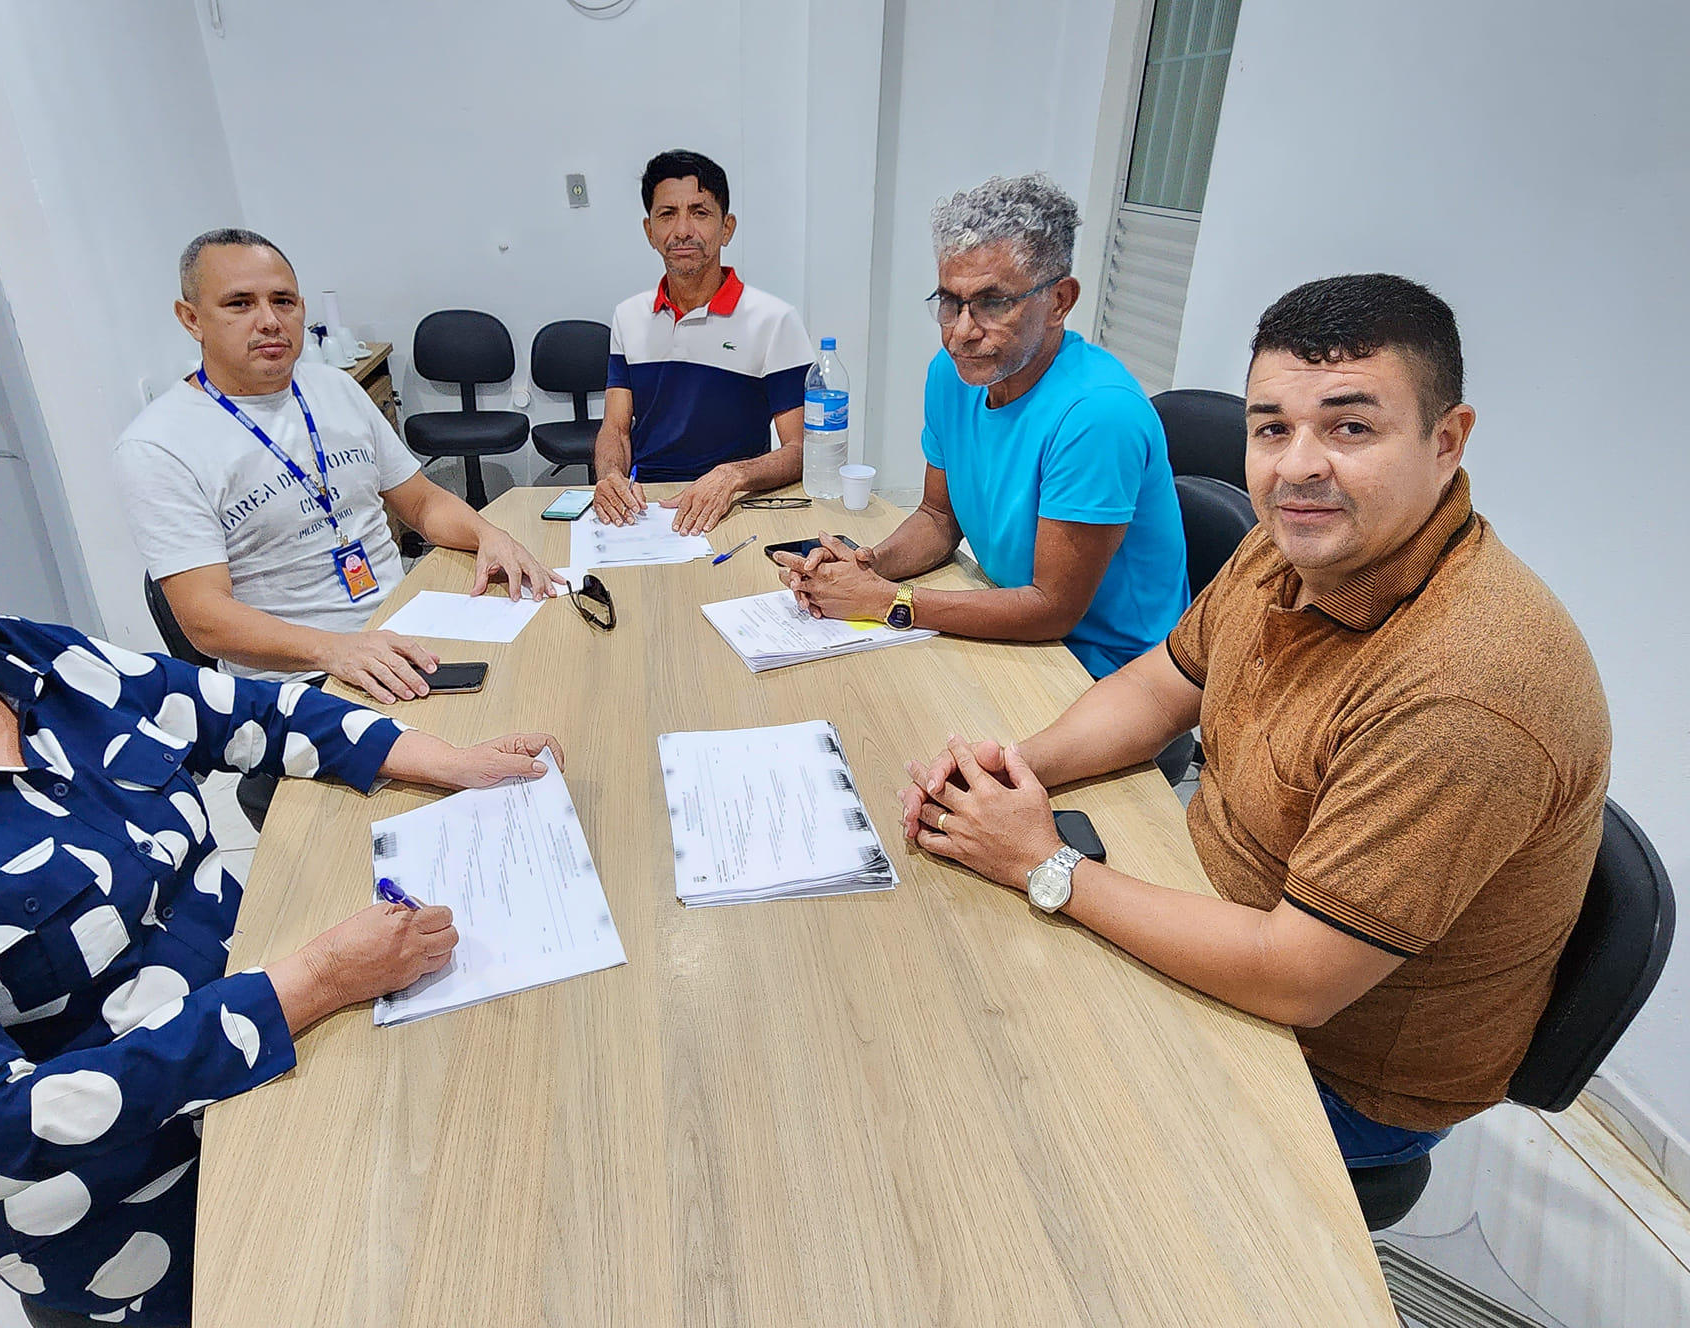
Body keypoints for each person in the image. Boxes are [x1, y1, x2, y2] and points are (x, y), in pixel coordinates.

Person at [0, 389, 566, 1324]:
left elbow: (242, 711)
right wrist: (314, 981)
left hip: (287, 1048)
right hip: (144, 1206)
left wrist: (443, 759)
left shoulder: (41, 663)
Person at [897, 274, 1611, 1167]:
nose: (1298, 466)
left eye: (1351, 427)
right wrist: (1013, 768)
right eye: (1272, 428)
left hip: (1332, 1071)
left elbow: (1297, 977)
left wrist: (1044, 864)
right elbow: (1160, 686)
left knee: (988, 1121)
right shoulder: (1288, 546)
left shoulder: (1467, 690)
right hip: (1209, 900)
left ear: (1447, 441)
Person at [113, 228, 562, 705]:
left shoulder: (335, 388)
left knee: (551, 670)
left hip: (404, 627)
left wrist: (488, 535)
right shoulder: (158, 444)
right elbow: (205, 619)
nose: (269, 321)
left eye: (283, 301)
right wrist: (335, 651)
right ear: (191, 318)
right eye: (240, 304)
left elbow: (423, 501)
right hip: (296, 680)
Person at [779, 173, 1187, 678]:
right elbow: (937, 516)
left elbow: (1052, 609)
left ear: (1060, 301)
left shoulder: (1098, 413)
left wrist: (888, 600)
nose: (963, 332)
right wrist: (867, 566)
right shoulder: (951, 376)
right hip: (1012, 628)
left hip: (1108, 673)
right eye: (950, 302)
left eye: (994, 303)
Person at [592, 150, 814, 535]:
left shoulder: (774, 319)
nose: (682, 230)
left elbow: (803, 450)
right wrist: (610, 475)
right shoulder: (628, 317)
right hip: (646, 507)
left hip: (736, 504)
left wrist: (731, 476)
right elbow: (616, 429)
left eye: (699, 212)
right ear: (649, 232)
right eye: (667, 214)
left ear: (726, 228)